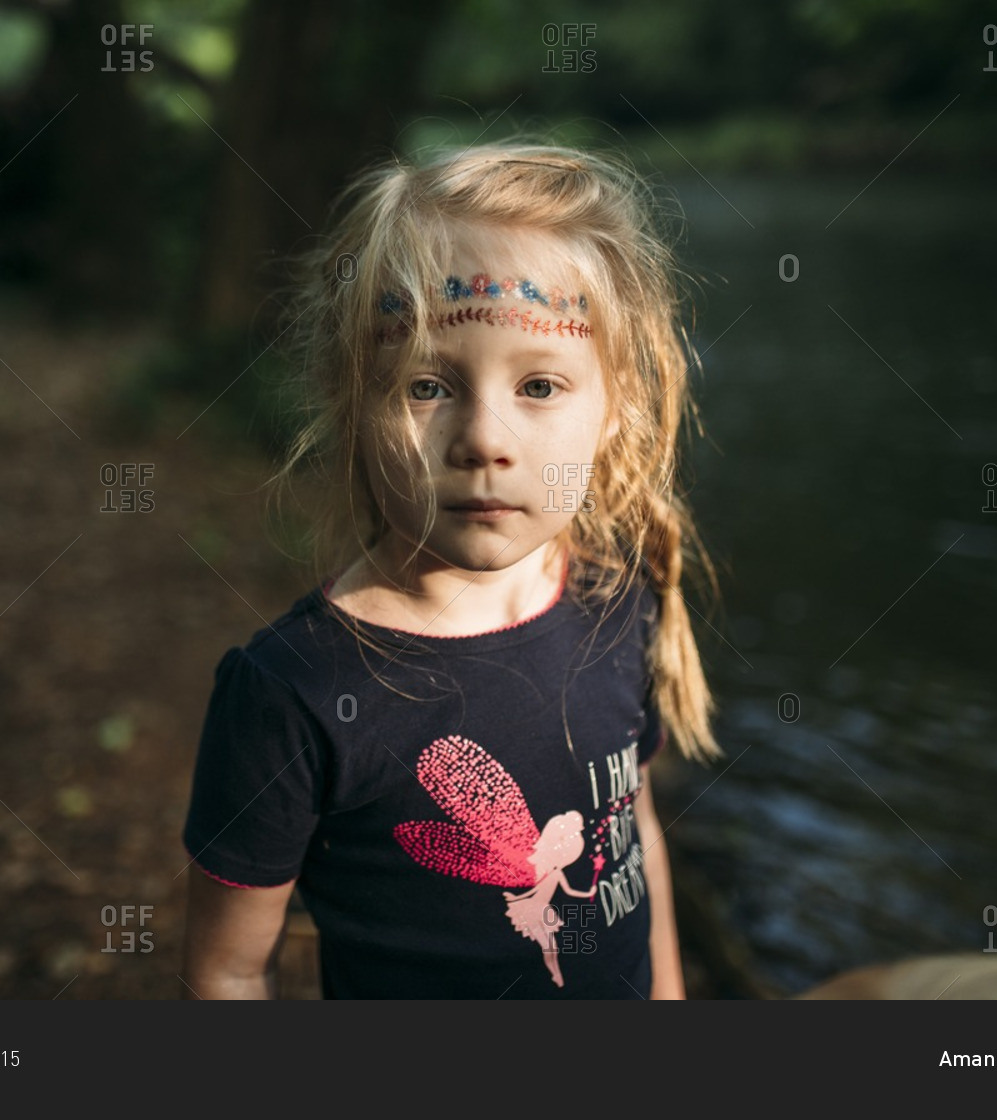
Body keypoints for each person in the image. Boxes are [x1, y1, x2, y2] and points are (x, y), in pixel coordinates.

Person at [180, 140, 723, 999]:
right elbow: (229, 971)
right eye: (427, 386)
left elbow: (635, 832)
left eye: (540, 387)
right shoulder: (291, 692)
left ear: (614, 409)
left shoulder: (618, 598)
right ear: (349, 402)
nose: (484, 442)